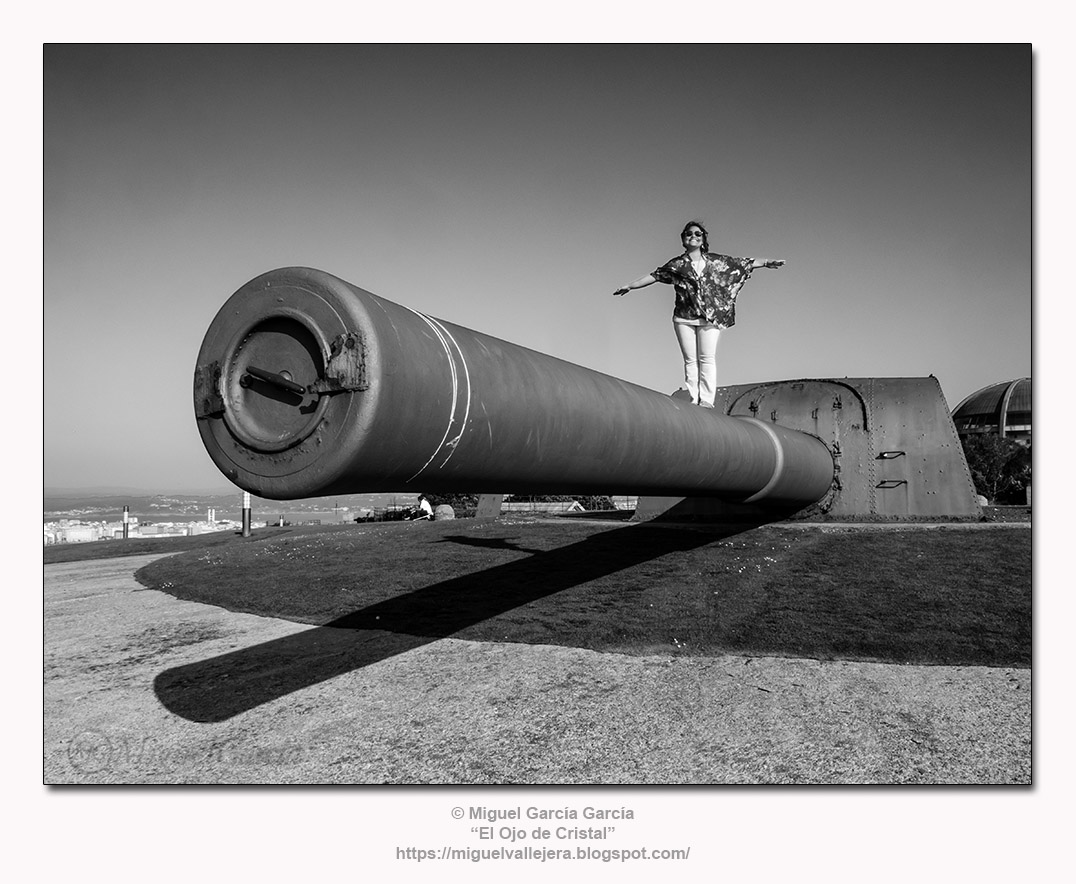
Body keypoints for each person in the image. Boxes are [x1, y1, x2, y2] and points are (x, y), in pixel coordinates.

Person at [613, 220, 785, 408]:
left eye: (697, 234)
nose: (693, 236)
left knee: (707, 358)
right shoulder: (678, 264)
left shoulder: (716, 262)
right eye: (689, 234)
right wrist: (629, 286)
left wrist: (767, 262)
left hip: (710, 317)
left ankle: (707, 401)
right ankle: (694, 398)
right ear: (683, 240)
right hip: (683, 318)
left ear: (703, 240)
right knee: (690, 360)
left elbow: (743, 264)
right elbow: (655, 276)